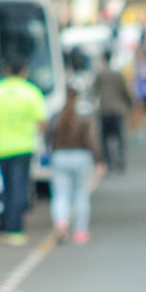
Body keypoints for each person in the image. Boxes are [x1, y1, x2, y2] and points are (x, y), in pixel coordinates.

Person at [0, 58, 48, 246]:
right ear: (24, 71)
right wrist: (43, 139)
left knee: (7, 187)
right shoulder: (31, 92)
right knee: (20, 187)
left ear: (6, 70)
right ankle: (16, 227)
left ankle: (7, 224)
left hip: (2, 148)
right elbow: (42, 122)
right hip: (23, 147)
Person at [48, 85, 106, 244]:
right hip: (81, 157)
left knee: (61, 195)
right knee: (81, 194)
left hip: (59, 157)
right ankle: (80, 231)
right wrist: (99, 160)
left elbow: (48, 138)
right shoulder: (84, 117)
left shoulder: (56, 117)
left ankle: (61, 222)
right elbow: (92, 140)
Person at [92, 50, 133, 174]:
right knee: (120, 137)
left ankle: (109, 163)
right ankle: (121, 162)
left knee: (105, 139)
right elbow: (124, 91)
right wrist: (129, 103)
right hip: (118, 109)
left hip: (104, 110)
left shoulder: (100, 75)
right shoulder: (117, 74)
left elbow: (94, 92)